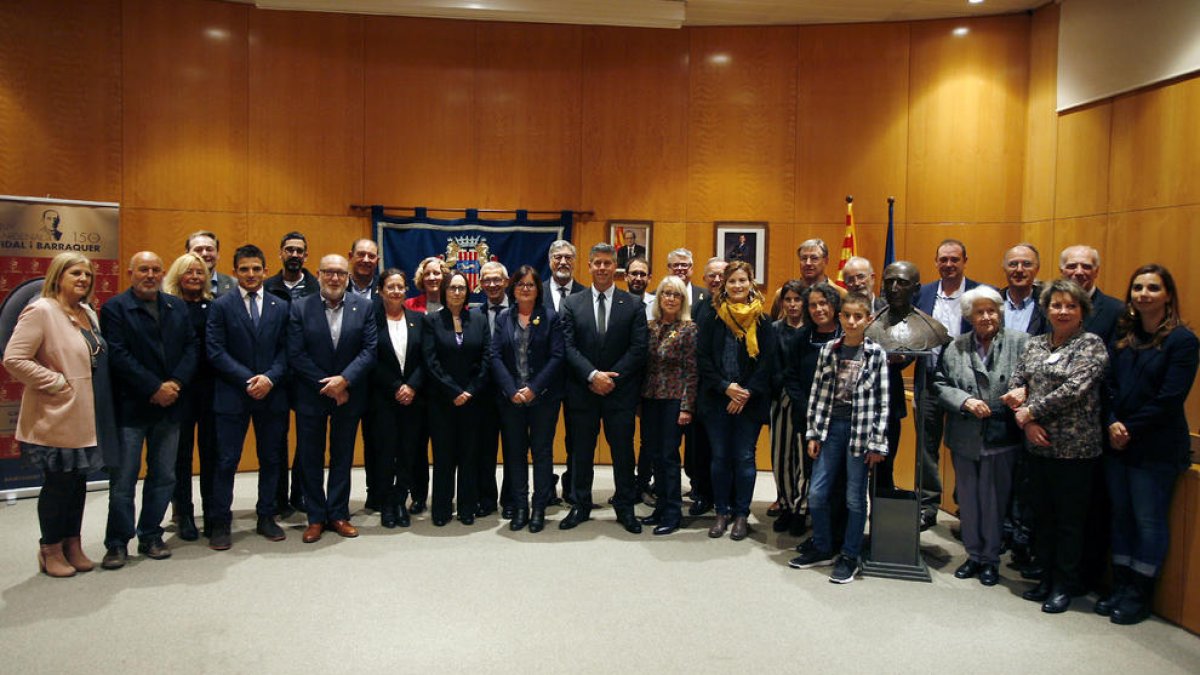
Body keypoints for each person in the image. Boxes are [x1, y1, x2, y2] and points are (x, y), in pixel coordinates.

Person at [3, 252, 117, 577]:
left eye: (87, 274)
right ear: (58, 275)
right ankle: (49, 548)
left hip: (86, 414)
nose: (83, 279)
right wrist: (55, 382)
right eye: (75, 273)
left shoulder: (87, 312)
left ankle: (72, 543)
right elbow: (14, 358)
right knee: (58, 484)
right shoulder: (41, 310)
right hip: (55, 414)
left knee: (78, 482)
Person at [1099, 264, 1198, 625]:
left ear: (1167, 294)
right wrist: (1111, 422)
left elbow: (1170, 398)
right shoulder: (1125, 335)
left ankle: (1140, 593)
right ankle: (1121, 585)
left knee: (1149, 521)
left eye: (1153, 288)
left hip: (1155, 447)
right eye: (1138, 287)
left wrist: (1128, 427)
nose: (1143, 294)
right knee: (1122, 517)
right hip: (1117, 442)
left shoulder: (1182, 341)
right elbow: (1107, 385)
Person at [1003, 279, 1108, 614]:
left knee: (1069, 521)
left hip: (1075, 450)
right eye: (1056, 305)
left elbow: (1075, 388)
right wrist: (1027, 419)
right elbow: (1018, 380)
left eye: (1070, 306)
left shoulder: (1091, 345)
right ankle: (1045, 578)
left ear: (1082, 311)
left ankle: (1064, 584)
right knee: (1042, 517)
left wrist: (1030, 411)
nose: (1062, 312)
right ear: (1046, 310)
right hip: (1037, 446)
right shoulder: (1034, 344)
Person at [100, 252, 197, 568]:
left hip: (171, 406)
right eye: (144, 269)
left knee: (164, 476)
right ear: (130, 273)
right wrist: (154, 387)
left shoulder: (176, 306)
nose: (150, 275)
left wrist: (176, 384)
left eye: (156, 269)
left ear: (163, 273)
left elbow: (192, 348)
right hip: (132, 407)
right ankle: (117, 542)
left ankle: (151, 534)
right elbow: (118, 355)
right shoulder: (115, 308)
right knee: (124, 480)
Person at [932, 287, 1028, 587]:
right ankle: (973, 555)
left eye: (991, 311)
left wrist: (1024, 391)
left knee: (994, 501)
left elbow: (1034, 379)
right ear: (969, 316)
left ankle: (990, 559)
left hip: (1001, 435)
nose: (986, 317)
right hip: (965, 434)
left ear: (999, 313)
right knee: (969, 501)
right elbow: (939, 383)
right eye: (979, 312)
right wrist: (964, 400)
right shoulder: (955, 347)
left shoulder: (1021, 344)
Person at [789, 292, 888, 584]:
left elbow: (882, 401)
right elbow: (819, 396)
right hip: (831, 429)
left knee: (854, 498)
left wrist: (877, 442)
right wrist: (814, 433)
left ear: (868, 319)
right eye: (847, 316)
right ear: (840, 317)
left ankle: (849, 554)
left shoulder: (876, 354)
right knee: (817, 493)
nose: (853, 321)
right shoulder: (829, 350)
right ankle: (822, 546)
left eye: (859, 316)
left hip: (860, 433)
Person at [205, 244, 291, 550]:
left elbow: (287, 350)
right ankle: (220, 523)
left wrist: (269, 378)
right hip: (232, 395)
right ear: (235, 271)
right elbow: (215, 350)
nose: (251, 275)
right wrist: (248, 379)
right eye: (244, 269)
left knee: (271, 459)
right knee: (226, 460)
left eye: (256, 269)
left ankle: (266, 516)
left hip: (272, 394)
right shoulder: (221, 305)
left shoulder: (280, 306)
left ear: (266, 271)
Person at [560, 242, 648, 533]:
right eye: (596, 263)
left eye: (607, 263)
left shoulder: (633, 304)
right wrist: (592, 375)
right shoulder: (572, 303)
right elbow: (568, 347)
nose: (601, 268)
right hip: (583, 392)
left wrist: (611, 378)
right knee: (581, 452)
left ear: (615, 268)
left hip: (619, 393)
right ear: (589, 266)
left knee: (623, 453)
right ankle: (580, 505)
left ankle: (625, 507)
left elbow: (638, 349)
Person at [289, 254, 377, 543]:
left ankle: (338, 513)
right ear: (318, 274)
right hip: (312, 395)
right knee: (310, 457)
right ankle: (315, 517)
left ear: (347, 276)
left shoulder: (363, 307)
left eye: (340, 273)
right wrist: (329, 385)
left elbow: (369, 351)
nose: (335, 278)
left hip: (349, 394)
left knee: (342, 455)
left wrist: (344, 381)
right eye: (328, 272)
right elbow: (296, 353)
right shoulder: (301, 307)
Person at [697, 260, 777, 541]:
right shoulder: (712, 317)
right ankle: (722, 512)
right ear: (724, 285)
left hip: (749, 403)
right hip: (717, 399)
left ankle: (741, 514)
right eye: (732, 281)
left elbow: (766, 363)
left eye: (742, 280)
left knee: (744, 457)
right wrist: (725, 387)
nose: (737, 286)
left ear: (751, 282)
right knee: (719, 457)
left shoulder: (763, 320)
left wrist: (744, 393)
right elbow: (703, 359)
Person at [490, 265, 564, 533]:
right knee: (515, 454)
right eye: (520, 284)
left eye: (530, 284)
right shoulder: (503, 319)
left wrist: (534, 388)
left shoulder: (550, 318)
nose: (525, 288)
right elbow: (495, 356)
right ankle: (520, 507)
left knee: (542, 454)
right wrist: (512, 390)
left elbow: (557, 357)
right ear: (513, 288)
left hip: (543, 399)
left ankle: (539, 508)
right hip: (511, 400)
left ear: (537, 289)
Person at [914, 239, 981, 529]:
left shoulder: (980, 294)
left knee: (963, 448)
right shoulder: (923, 294)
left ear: (965, 260)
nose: (949, 265)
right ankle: (927, 506)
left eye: (955, 259)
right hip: (928, 381)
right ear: (936, 261)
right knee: (926, 447)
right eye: (944, 259)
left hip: (966, 386)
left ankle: (965, 508)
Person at [422, 270, 490, 526]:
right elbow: (431, 362)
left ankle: (466, 507)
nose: (457, 293)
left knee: (469, 455)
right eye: (453, 288)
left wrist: (470, 390)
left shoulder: (479, 320)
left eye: (462, 288)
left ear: (468, 292)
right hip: (442, 401)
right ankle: (441, 508)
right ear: (444, 291)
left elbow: (486, 358)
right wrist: (453, 391)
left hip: (473, 400)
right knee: (444, 456)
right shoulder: (431, 321)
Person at [784, 283, 846, 546]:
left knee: (840, 482)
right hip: (809, 419)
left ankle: (838, 535)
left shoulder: (848, 335)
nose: (819, 309)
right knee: (814, 477)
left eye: (824, 303)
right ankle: (819, 534)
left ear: (834, 306)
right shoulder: (802, 338)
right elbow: (791, 376)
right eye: (813, 305)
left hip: (843, 419)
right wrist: (808, 408)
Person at [262, 232, 318, 517]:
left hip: (308, 375)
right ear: (280, 253)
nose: (294, 255)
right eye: (289, 250)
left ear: (306, 256)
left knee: (307, 440)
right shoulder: (267, 287)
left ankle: (301, 494)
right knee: (276, 439)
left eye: (300, 251)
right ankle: (277, 499)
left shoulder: (316, 288)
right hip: (277, 374)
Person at [162, 252, 215, 542]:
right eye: (188, 272)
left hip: (209, 390)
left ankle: (212, 511)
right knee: (180, 457)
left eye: (199, 272)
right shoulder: (167, 306)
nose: (194, 277)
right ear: (177, 275)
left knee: (211, 455)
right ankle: (184, 512)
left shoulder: (213, 306)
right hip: (179, 390)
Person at [638, 275, 698, 535]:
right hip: (650, 399)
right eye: (666, 293)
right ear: (659, 298)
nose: (670, 298)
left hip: (675, 400)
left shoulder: (689, 329)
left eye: (676, 295)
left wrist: (687, 406)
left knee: (669, 457)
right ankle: (660, 507)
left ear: (683, 300)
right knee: (653, 455)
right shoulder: (649, 326)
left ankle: (673, 512)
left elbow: (692, 371)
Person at [370, 268, 425, 529]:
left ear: (406, 290)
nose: (395, 291)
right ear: (381, 291)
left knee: (407, 452)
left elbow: (426, 359)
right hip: (383, 398)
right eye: (390, 287)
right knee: (385, 452)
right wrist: (396, 386)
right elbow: (371, 358)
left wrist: (411, 386)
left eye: (400, 287)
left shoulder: (418, 319)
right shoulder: (372, 319)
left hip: (413, 400)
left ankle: (401, 500)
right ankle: (386, 504)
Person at [402, 255, 449, 512]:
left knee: (444, 446)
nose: (433, 277)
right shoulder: (410, 305)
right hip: (417, 389)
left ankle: (444, 496)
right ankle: (418, 495)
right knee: (417, 446)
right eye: (428, 273)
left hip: (445, 390)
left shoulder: (455, 304)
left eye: (438, 273)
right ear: (422, 278)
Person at [683, 256, 726, 516]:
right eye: (711, 275)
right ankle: (701, 493)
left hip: (730, 391)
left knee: (725, 451)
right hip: (703, 390)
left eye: (722, 275)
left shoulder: (741, 307)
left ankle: (726, 497)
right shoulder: (698, 308)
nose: (717, 280)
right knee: (699, 448)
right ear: (704, 279)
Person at [768, 280, 806, 534]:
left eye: (797, 299)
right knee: (781, 457)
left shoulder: (813, 330)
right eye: (788, 299)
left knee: (802, 458)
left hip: (805, 401)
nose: (792, 304)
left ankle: (801, 509)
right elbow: (770, 364)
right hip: (779, 400)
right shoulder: (774, 329)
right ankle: (785, 503)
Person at [473, 260, 510, 518]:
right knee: (484, 450)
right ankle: (486, 498)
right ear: (480, 284)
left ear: (506, 282)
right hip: (483, 394)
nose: (492, 284)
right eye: (487, 280)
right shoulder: (473, 314)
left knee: (512, 448)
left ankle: (511, 499)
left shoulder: (521, 310)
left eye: (497, 279)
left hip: (512, 392)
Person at [1060, 245, 1123, 345]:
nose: (1079, 272)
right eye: (1072, 266)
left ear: (1096, 271)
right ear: (1062, 271)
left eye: (1086, 267)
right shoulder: (1049, 308)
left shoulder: (1116, 310)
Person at [1001, 243, 1047, 335]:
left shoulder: (1048, 303)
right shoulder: (993, 303)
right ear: (1004, 268)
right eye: (1013, 264)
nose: (1019, 270)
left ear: (1037, 269)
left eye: (1027, 264)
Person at [186, 230, 236, 297]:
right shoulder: (172, 284)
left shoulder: (234, 284)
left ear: (217, 254)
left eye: (209, 249)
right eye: (198, 250)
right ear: (187, 254)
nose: (204, 254)